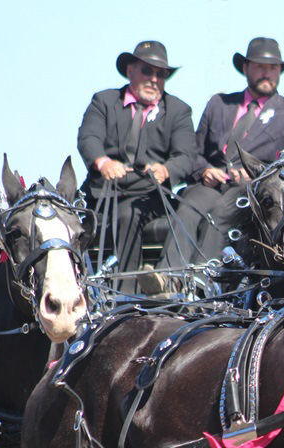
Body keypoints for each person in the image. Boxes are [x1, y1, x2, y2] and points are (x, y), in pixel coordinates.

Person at [163, 37, 284, 268]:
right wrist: (205, 170)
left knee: (223, 212)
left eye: (273, 68)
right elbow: (194, 152)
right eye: (260, 67)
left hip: (255, 192)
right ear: (245, 68)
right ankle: (167, 277)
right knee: (188, 208)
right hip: (212, 185)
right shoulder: (219, 104)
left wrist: (257, 175)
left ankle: (204, 277)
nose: (267, 73)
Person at [77, 40, 196, 291]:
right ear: (130, 71)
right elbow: (89, 138)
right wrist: (103, 162)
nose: (154, 79)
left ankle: (126, 294)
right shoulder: (104, 101)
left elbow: (186, 156)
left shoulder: (179, 111)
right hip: (102, 193)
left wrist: (166, 170)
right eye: (147, 71)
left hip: (148, 195)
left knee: (128, 213)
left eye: (161, 74)